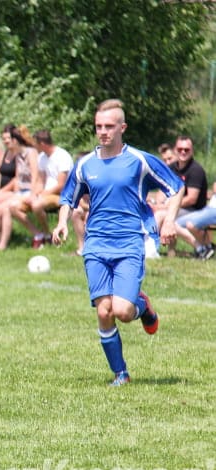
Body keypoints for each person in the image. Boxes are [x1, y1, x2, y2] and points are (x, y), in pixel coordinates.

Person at [52, 99, 184, 387]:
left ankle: (143, 306)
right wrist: (62, 223)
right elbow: (67, 197)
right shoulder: (86, 164)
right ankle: (120, 374)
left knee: (123, 311)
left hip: (128, 243)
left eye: (109, 126)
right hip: (96, 244)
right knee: (103, 311)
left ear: (122, 127)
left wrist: (171, 221)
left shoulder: (139, 161)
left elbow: (176, 187)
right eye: (99, 126)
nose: (103, 132)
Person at [10, 129, 73, 249]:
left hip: (60, 195)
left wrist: (41, 195)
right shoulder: (42, 157)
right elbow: (40, 181)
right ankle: (39, 234)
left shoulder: (62, 156)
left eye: (36, 144)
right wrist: (33, 194)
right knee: (13, 206)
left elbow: (61, 185)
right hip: (45, 194)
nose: (34, 146)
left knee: (37, 205)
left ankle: (47, 235)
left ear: (42, 144)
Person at [0, 124, 40, 251]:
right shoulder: (18, 155)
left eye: (9, 139)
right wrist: (13, 194)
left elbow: (35, 176)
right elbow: (18, 178)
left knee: (5, 208)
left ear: (15, 140)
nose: (6, 142)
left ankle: (2, 244)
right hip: (20, 192)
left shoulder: (31, 153)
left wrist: (32, 194)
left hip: (30, 191)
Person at [153, 135, 208, 256]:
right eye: (180, 149)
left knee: (163, 215)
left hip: (194, 211)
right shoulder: (172, 167)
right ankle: (170, 252)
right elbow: (162, 190)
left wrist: (167, 207)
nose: (183, 152)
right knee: (159, 212)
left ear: (192, 150)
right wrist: (158, 202)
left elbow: (191, 199)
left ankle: (151, 248)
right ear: (175, 150)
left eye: (186, 149)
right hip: (179, 209)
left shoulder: (196, 170)